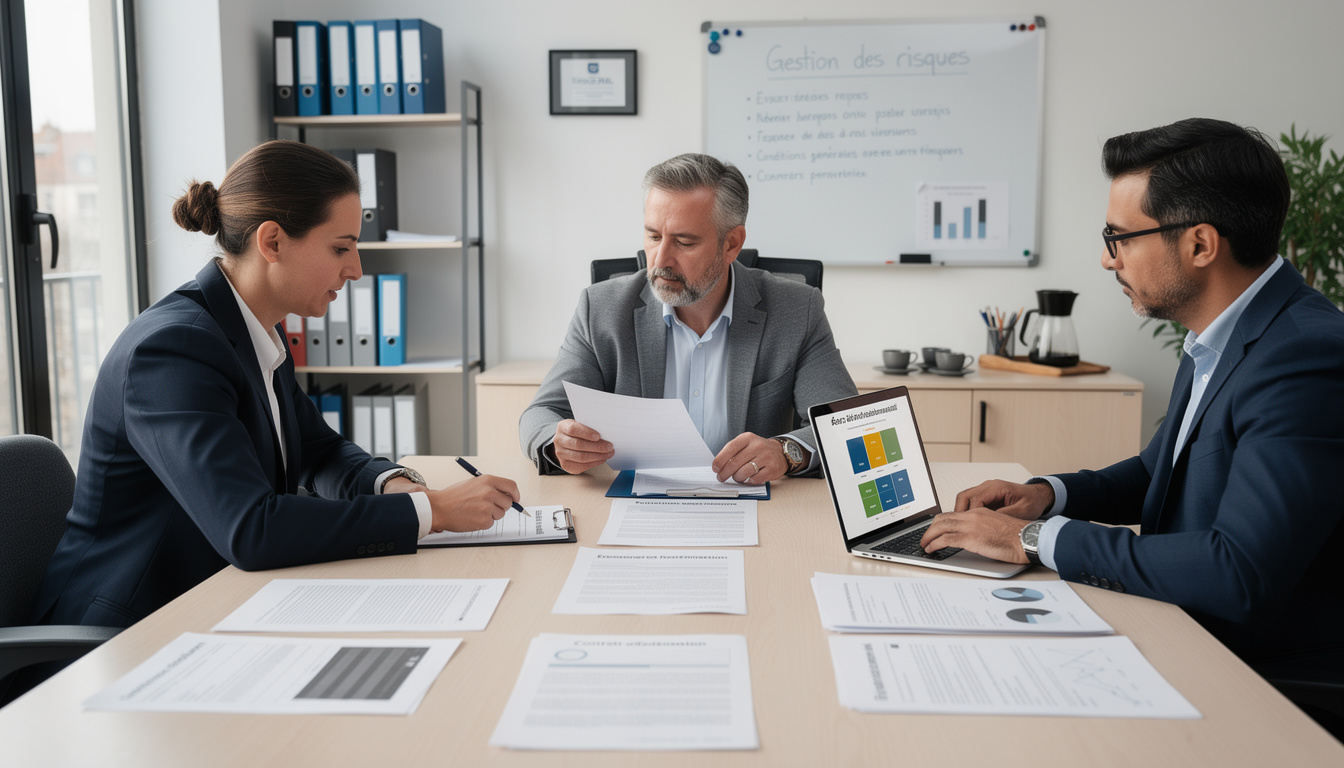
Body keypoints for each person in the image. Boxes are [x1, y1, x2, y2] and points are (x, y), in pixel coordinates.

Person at [32, 140, 521, 630]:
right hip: (123, 633)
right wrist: (430, 510)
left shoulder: (254, 327)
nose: (356, 269)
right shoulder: (174, 350)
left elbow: (318, 450)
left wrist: (390, 484)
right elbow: (252, 529)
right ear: (272, 242)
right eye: (341, 248)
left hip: (218, 603)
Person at [920, 119, 1344, 680]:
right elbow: (1160, 473)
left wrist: (1032, 540)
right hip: (1181, 625)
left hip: (1255, 674)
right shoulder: (1223, 333)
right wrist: (1048, 497)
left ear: (1199, 244)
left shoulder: (1305, 355)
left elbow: (1239, 571)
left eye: (1118, 237)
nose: (1108, 259)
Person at [519, 153, 857, 482]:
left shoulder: (797, 310)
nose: (660, 259)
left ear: (732, 244)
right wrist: (558, 443)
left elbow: (846, 425)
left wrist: (785, 452)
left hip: (757, 509)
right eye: (653, 236)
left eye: (684, 242)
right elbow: (539, 416)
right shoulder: (601, 309)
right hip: (635, 503)